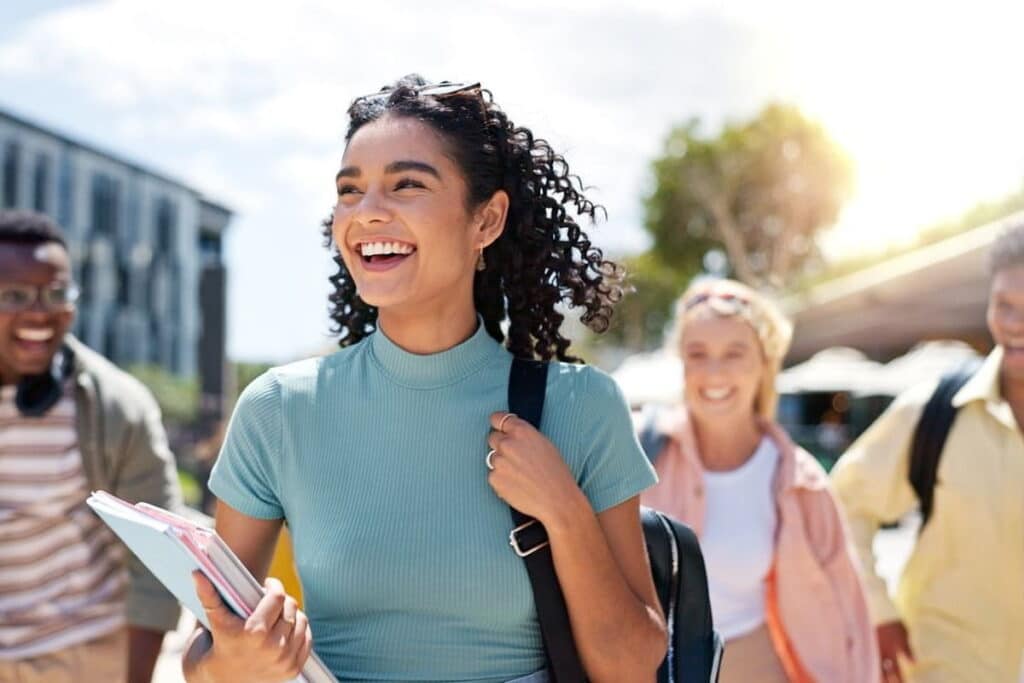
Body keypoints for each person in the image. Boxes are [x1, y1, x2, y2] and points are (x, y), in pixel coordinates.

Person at [182, 76, 667, 683]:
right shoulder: (279, 408)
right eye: (349, 190)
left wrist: (563, 512)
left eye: (407, 184)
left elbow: (630, 668)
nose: (367, 212)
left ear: (486, 220)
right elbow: (204, 660)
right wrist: (234, 663)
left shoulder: (580, 405)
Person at [639, 278, 878, 683]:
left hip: (757, 667)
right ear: (681, 362)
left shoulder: (799, 481)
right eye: (698, 353)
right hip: (651, 669)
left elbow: (847, 609)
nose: (715, 372)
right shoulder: (638, 454)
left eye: (734, 353)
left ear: (764, 363)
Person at [831, 221, 1024, 683]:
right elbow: (840, 503)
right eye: (1004, 305)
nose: (1016, 324)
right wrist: (878, 612)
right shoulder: (933, 411)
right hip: (942, 666)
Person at [0, 210, 183, 683]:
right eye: (16, 295)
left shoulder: (120, 406)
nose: (40, 312)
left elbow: (157, 562)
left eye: (57, 293)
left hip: (82, 655)